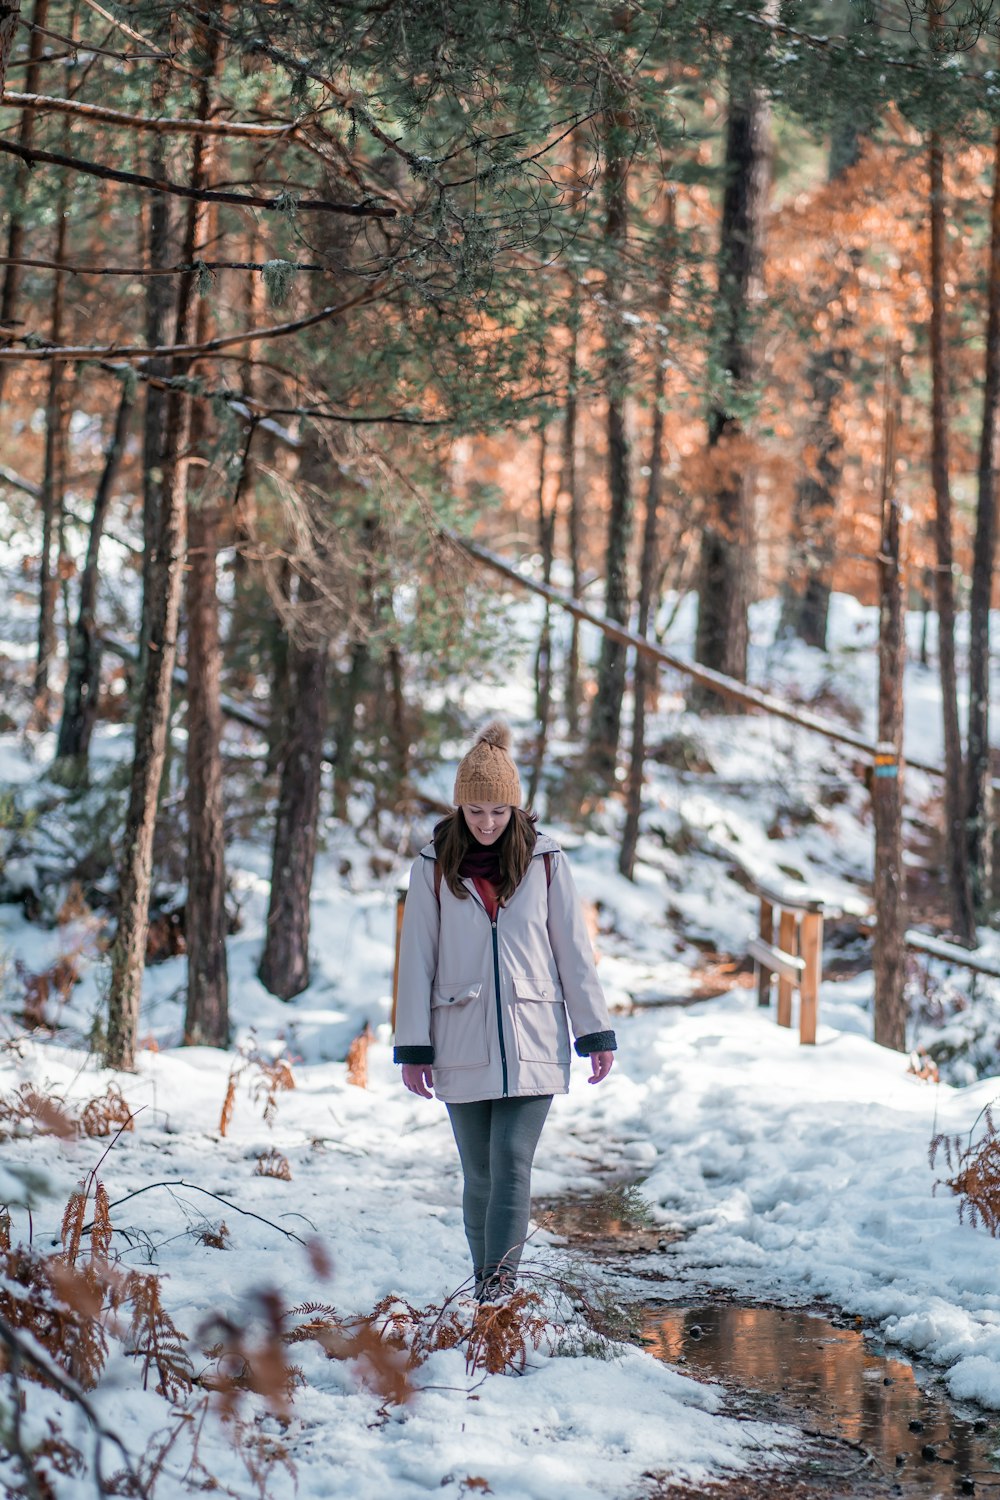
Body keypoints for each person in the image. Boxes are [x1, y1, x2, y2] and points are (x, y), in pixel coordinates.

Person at [393, 719, 617, 1303]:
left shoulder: (546, 862)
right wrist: (413, 1047)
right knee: (481, 1175)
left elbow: (573, 949)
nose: (487, 823)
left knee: (512, 1160)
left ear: (514, 808)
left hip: (533, 1034)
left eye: (498, 811)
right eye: (475, 811)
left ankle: (499, 1295)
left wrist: (595, 1032)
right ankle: (484, 1291)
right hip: (459, 1035)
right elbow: (416, 959)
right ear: (460, 807)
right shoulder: (433, 866)